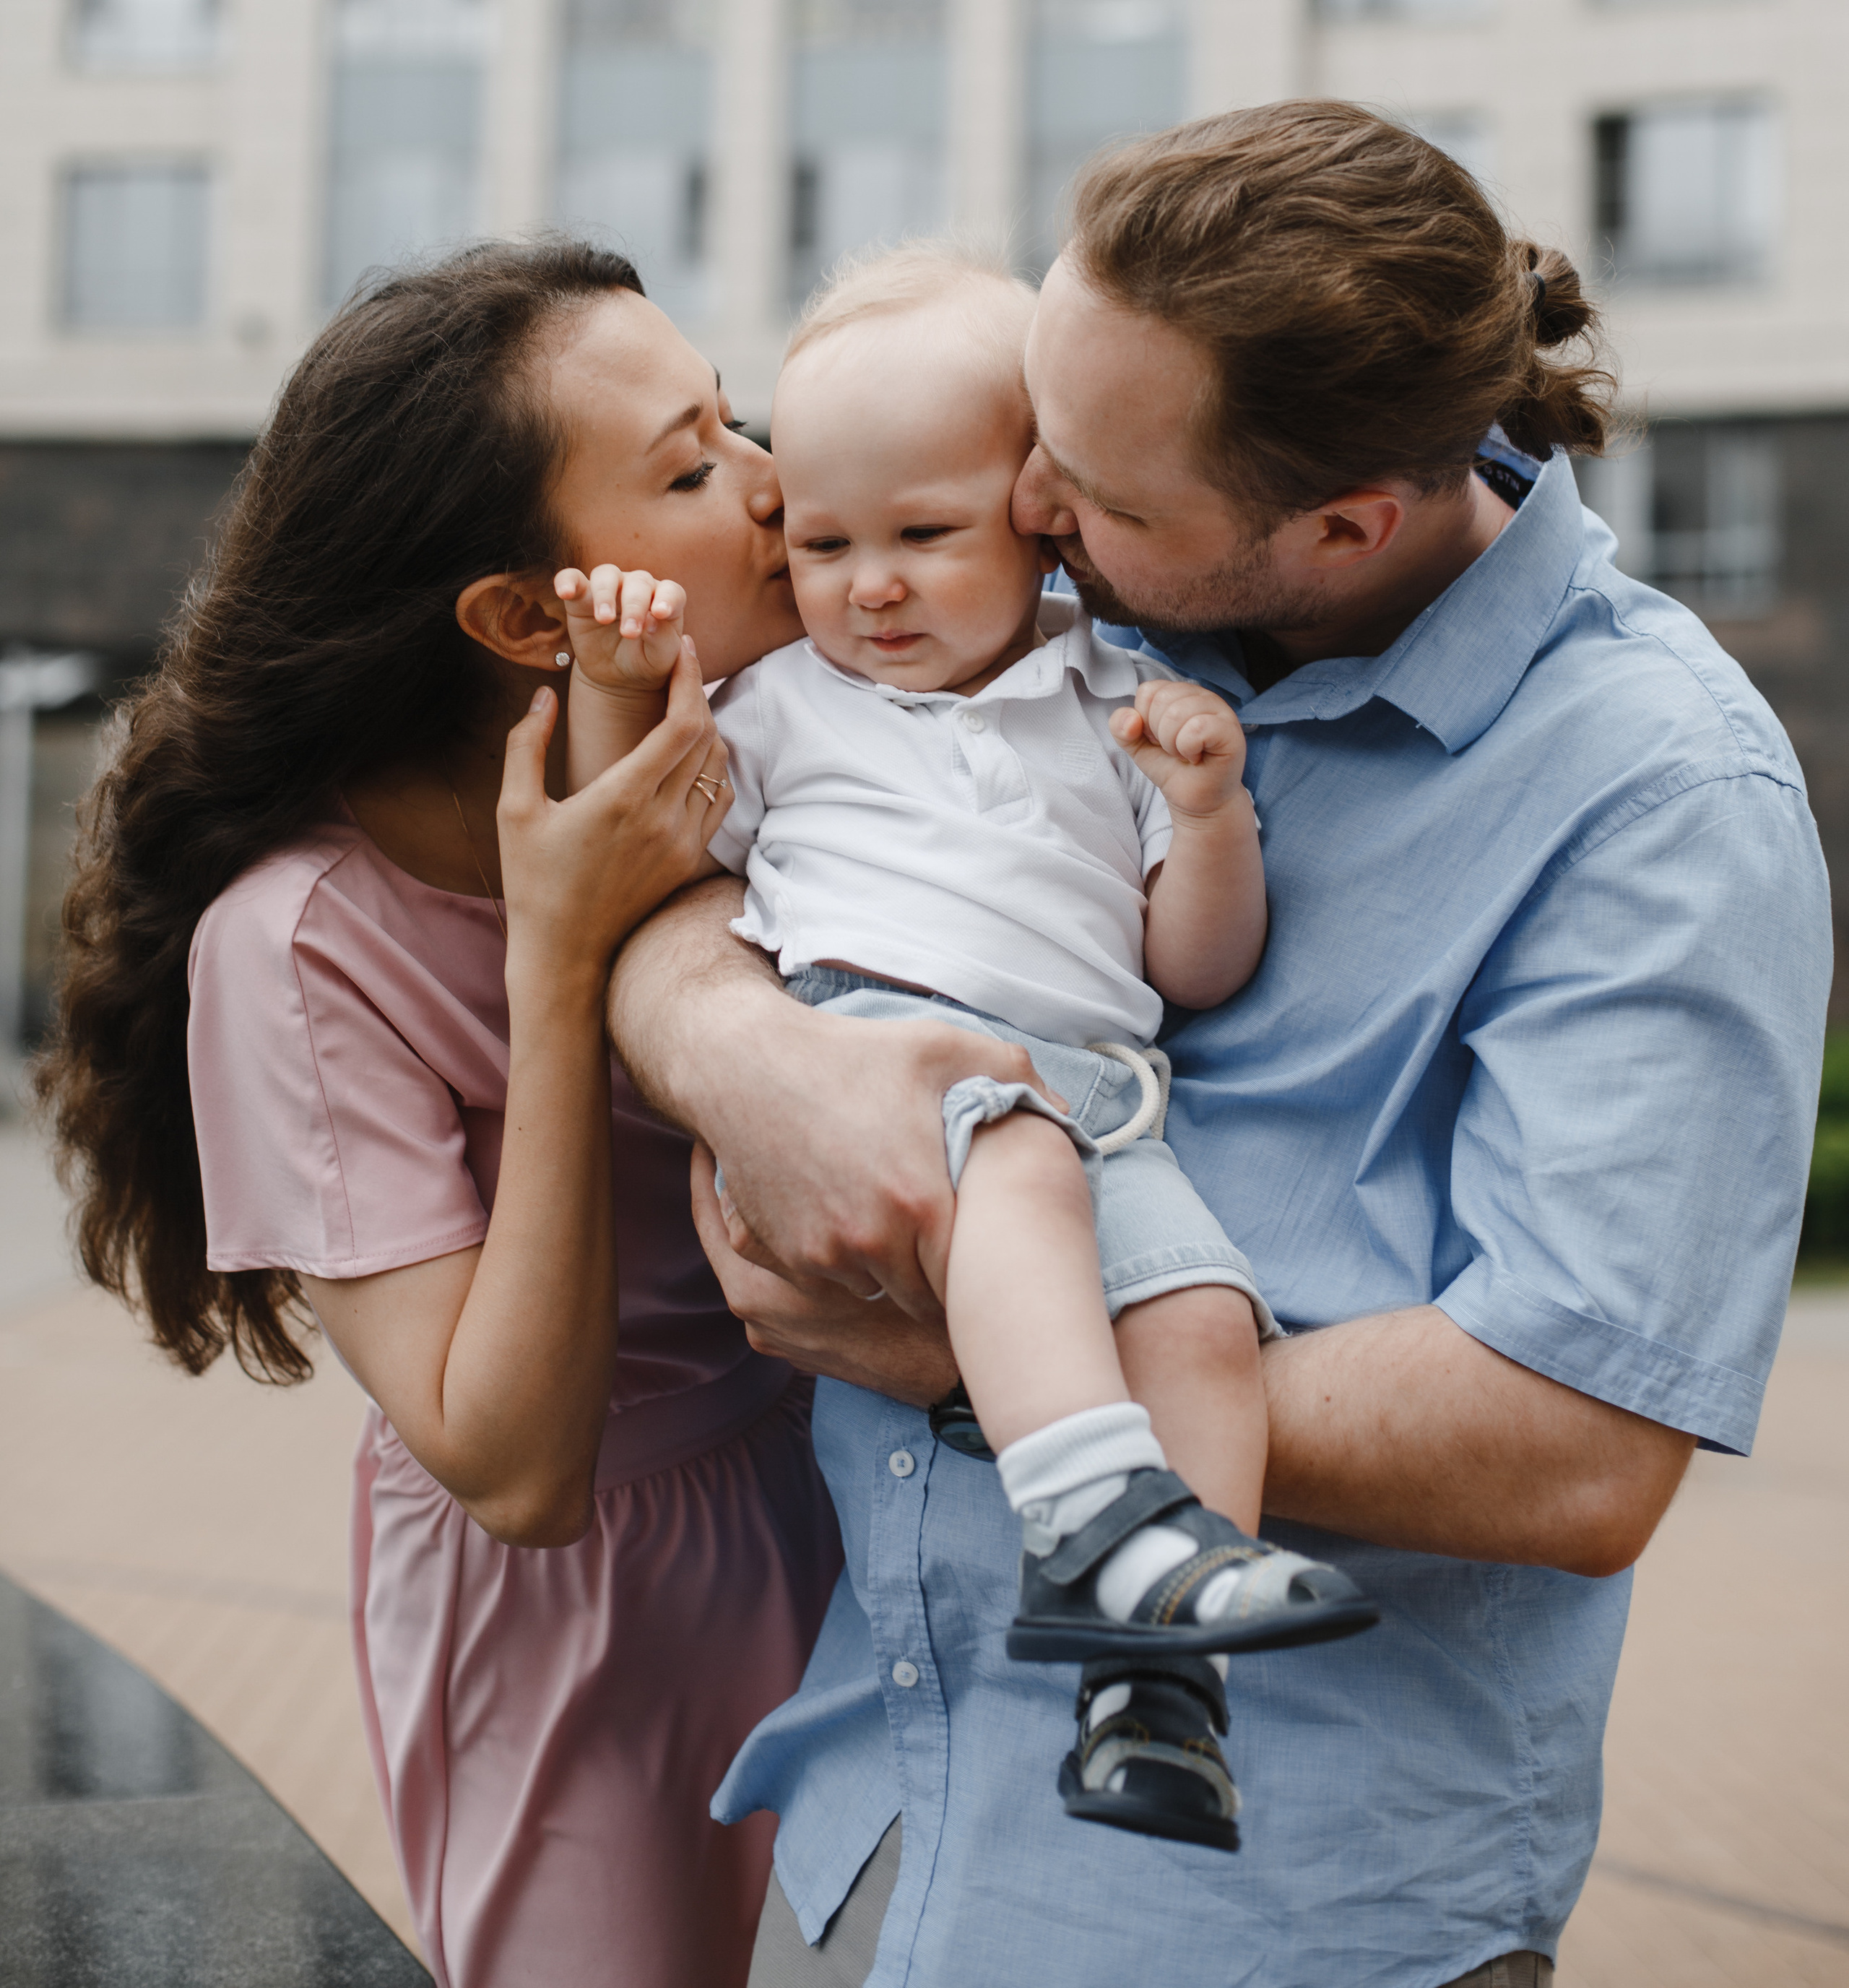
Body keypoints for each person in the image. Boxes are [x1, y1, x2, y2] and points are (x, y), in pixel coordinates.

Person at [604, 105, 1831, 1988]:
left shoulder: (1659, 793)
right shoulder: (1058, 570)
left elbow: (1577, 1449)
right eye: (1037, 441)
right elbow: (705, 839)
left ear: (1340, 525)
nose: (1021, 514)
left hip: (1265, 1919)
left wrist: (970, 1345)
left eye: (1082, 493)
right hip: (883, 1814)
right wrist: (736, 1049)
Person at [39, 242, 843, 1988]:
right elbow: (514, 1466)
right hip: (582, 1606)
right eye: (695, 469)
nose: (781, 487)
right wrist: (555, 963)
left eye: (741, 420)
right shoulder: (300, 946)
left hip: (861, 1492)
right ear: (521, 616)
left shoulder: (795, 727)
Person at [555, 244, 1374, 1854]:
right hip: (884, 1064)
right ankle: (1090, 1518)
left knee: (1205, 1318)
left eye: (922, 537)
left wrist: (1204, 815)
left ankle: (1152, 1691)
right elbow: (640, 835)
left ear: (1037, 514)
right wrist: (612, 678)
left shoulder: (1120, 703)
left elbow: (1190, 967)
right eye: (822, 543)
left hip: (1096, 1107)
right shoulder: (785, 704)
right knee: (1004, 1158)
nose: (867, 585)